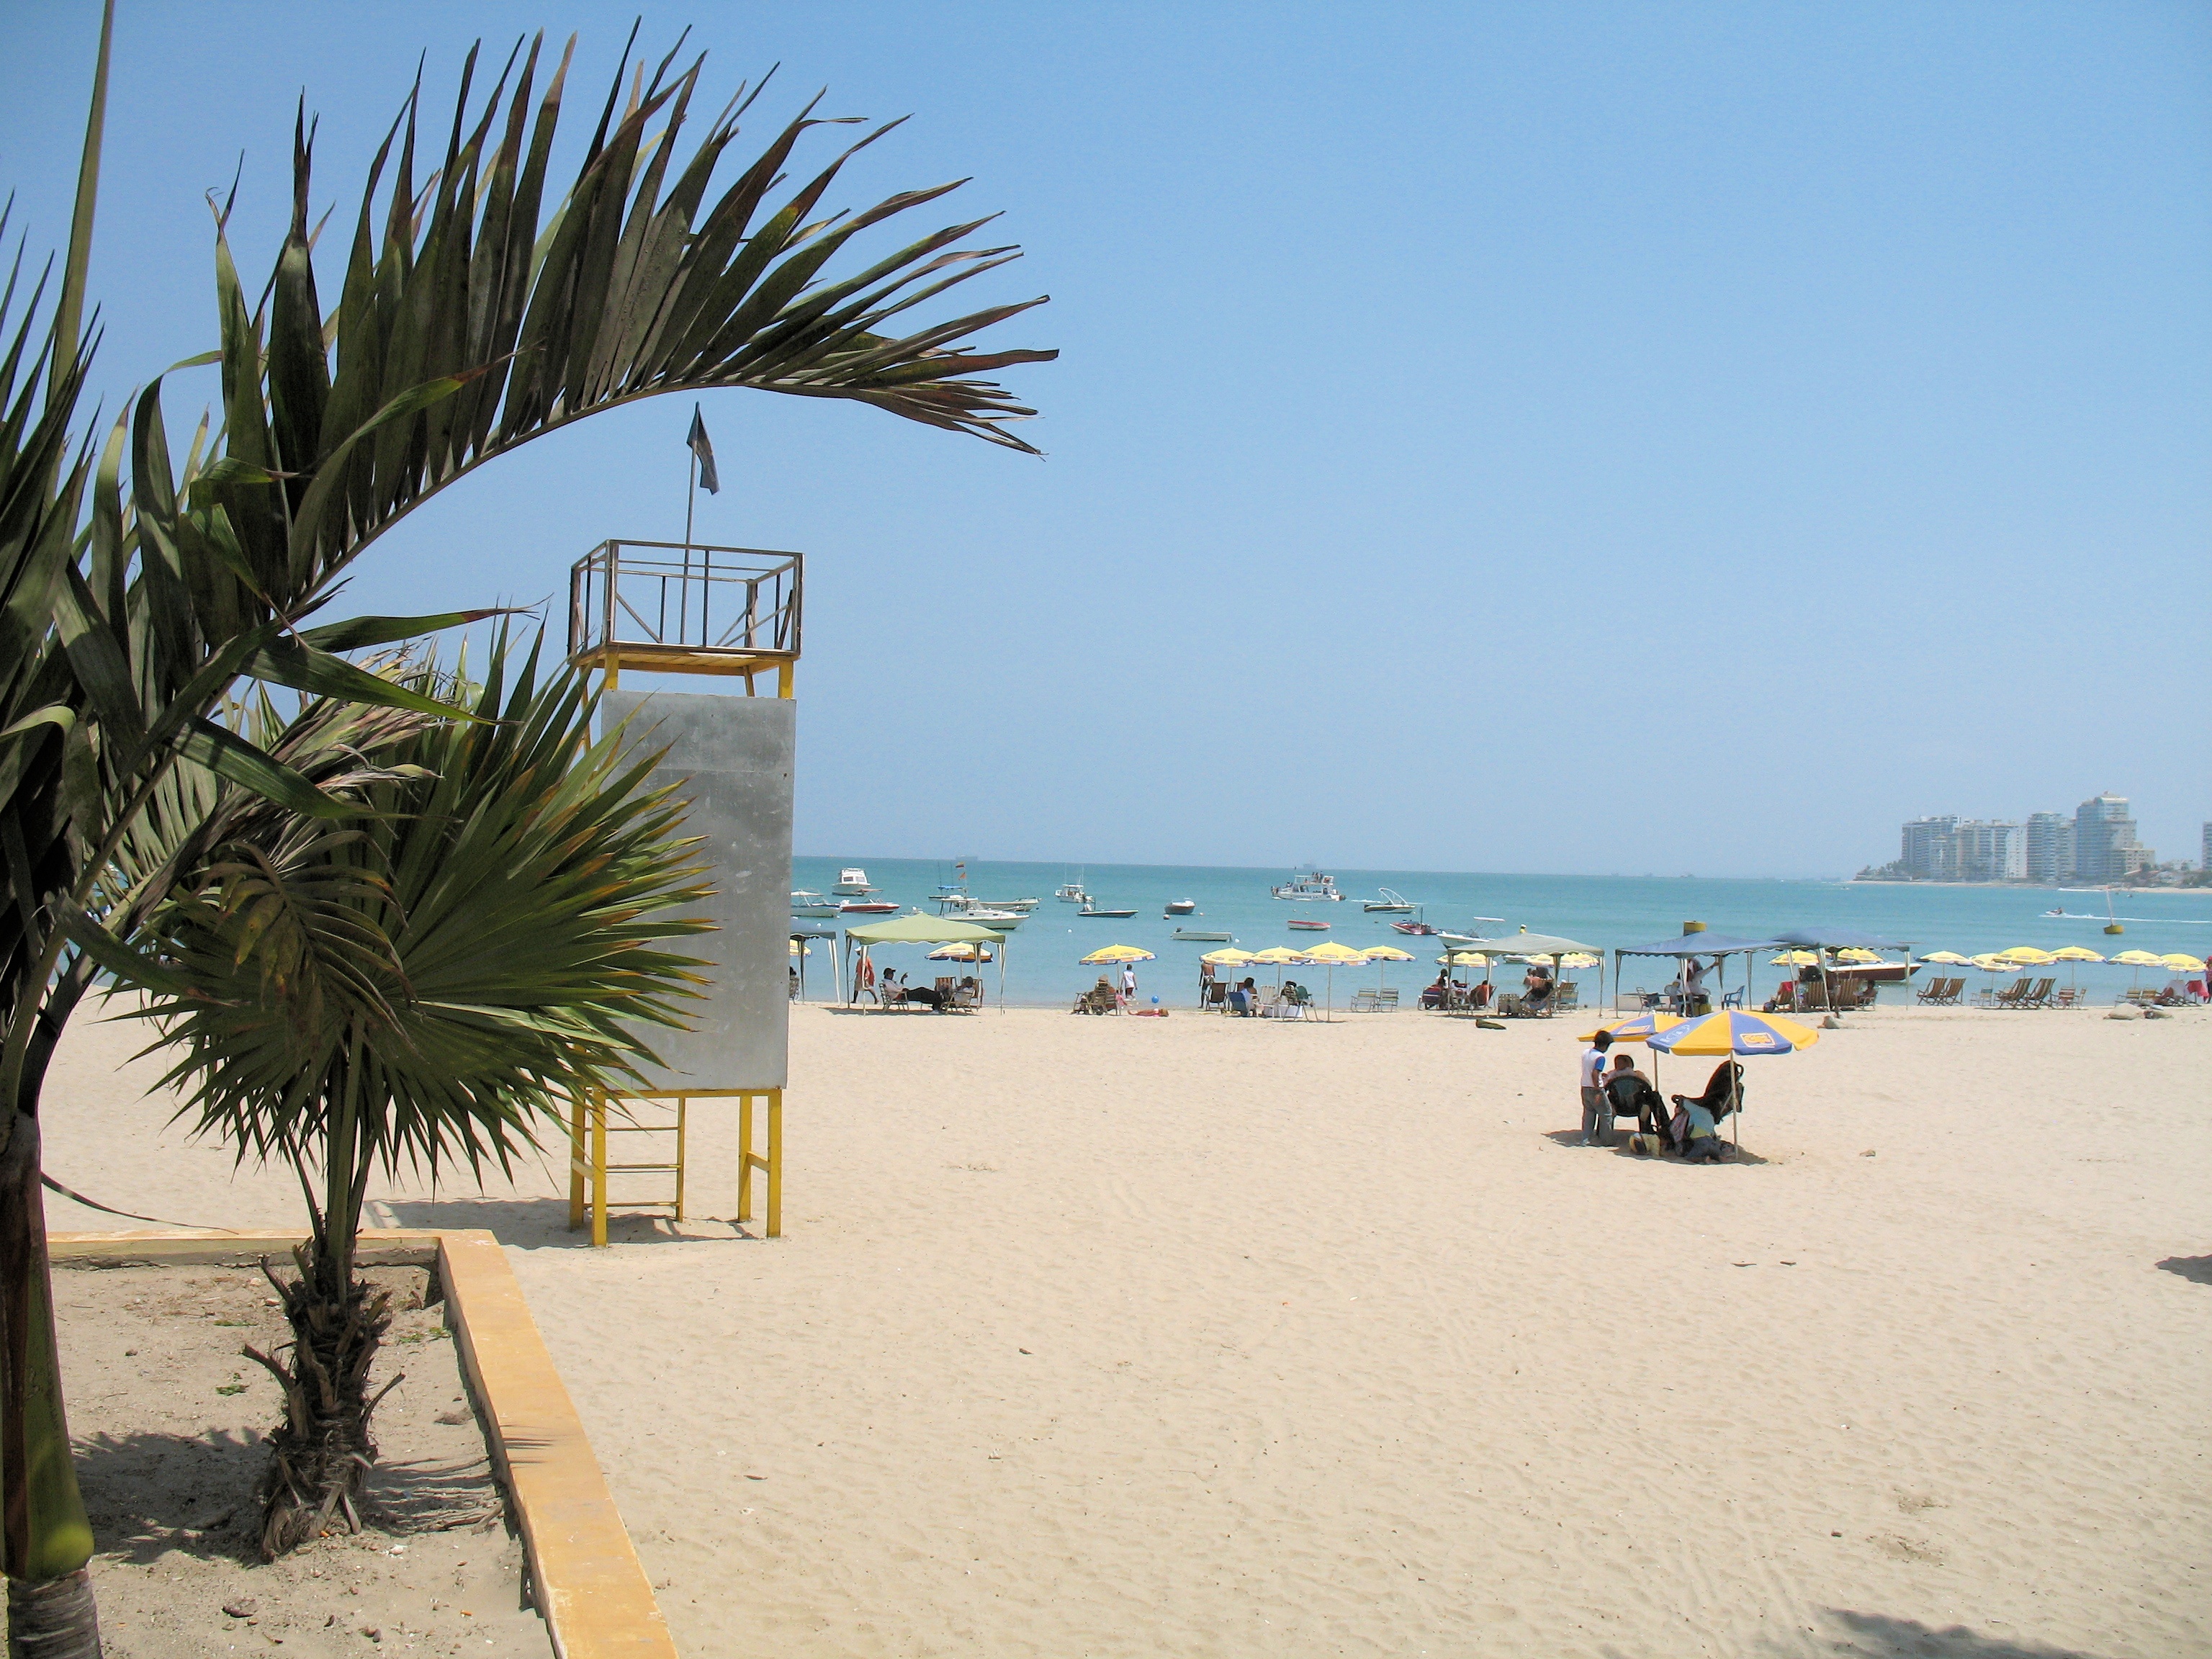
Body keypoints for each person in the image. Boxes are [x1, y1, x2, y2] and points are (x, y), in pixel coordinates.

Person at [1578, 1029, 1613, 1144]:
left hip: (1584, 1086)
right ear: (1605, 1045)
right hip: (1595, 1088)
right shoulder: (1600, 1057)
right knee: (1606, 1114)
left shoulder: (1586, 1052)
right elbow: (1594, 1073)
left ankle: (1585, 1138)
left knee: (1588, 1113)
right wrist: (1598, 1090)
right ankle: (1606, 1140)